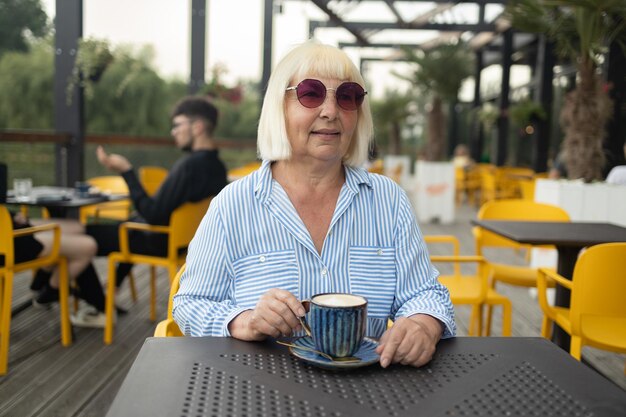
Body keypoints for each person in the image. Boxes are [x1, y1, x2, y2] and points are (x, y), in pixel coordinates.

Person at [173, 40, 455, 369]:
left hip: (367, 390)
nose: (331, 111)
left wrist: (422, 325)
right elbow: (190, 304)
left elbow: (425, 292)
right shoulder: (232, 205)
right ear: (280, 107)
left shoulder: (388, 200)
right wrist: (245, 321)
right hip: (262, 389)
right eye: (311, 93)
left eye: (348, 96)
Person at [89, 96, 228, 291]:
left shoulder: (189, 166)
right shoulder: (218, 167)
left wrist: (126, 171)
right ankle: (106, 293)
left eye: (178, 125)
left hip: (158, 241)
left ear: (197, 127)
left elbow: (153, 214)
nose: (174, 131)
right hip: (187, 242)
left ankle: (93, 302)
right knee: (125, 226)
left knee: (83, 236)